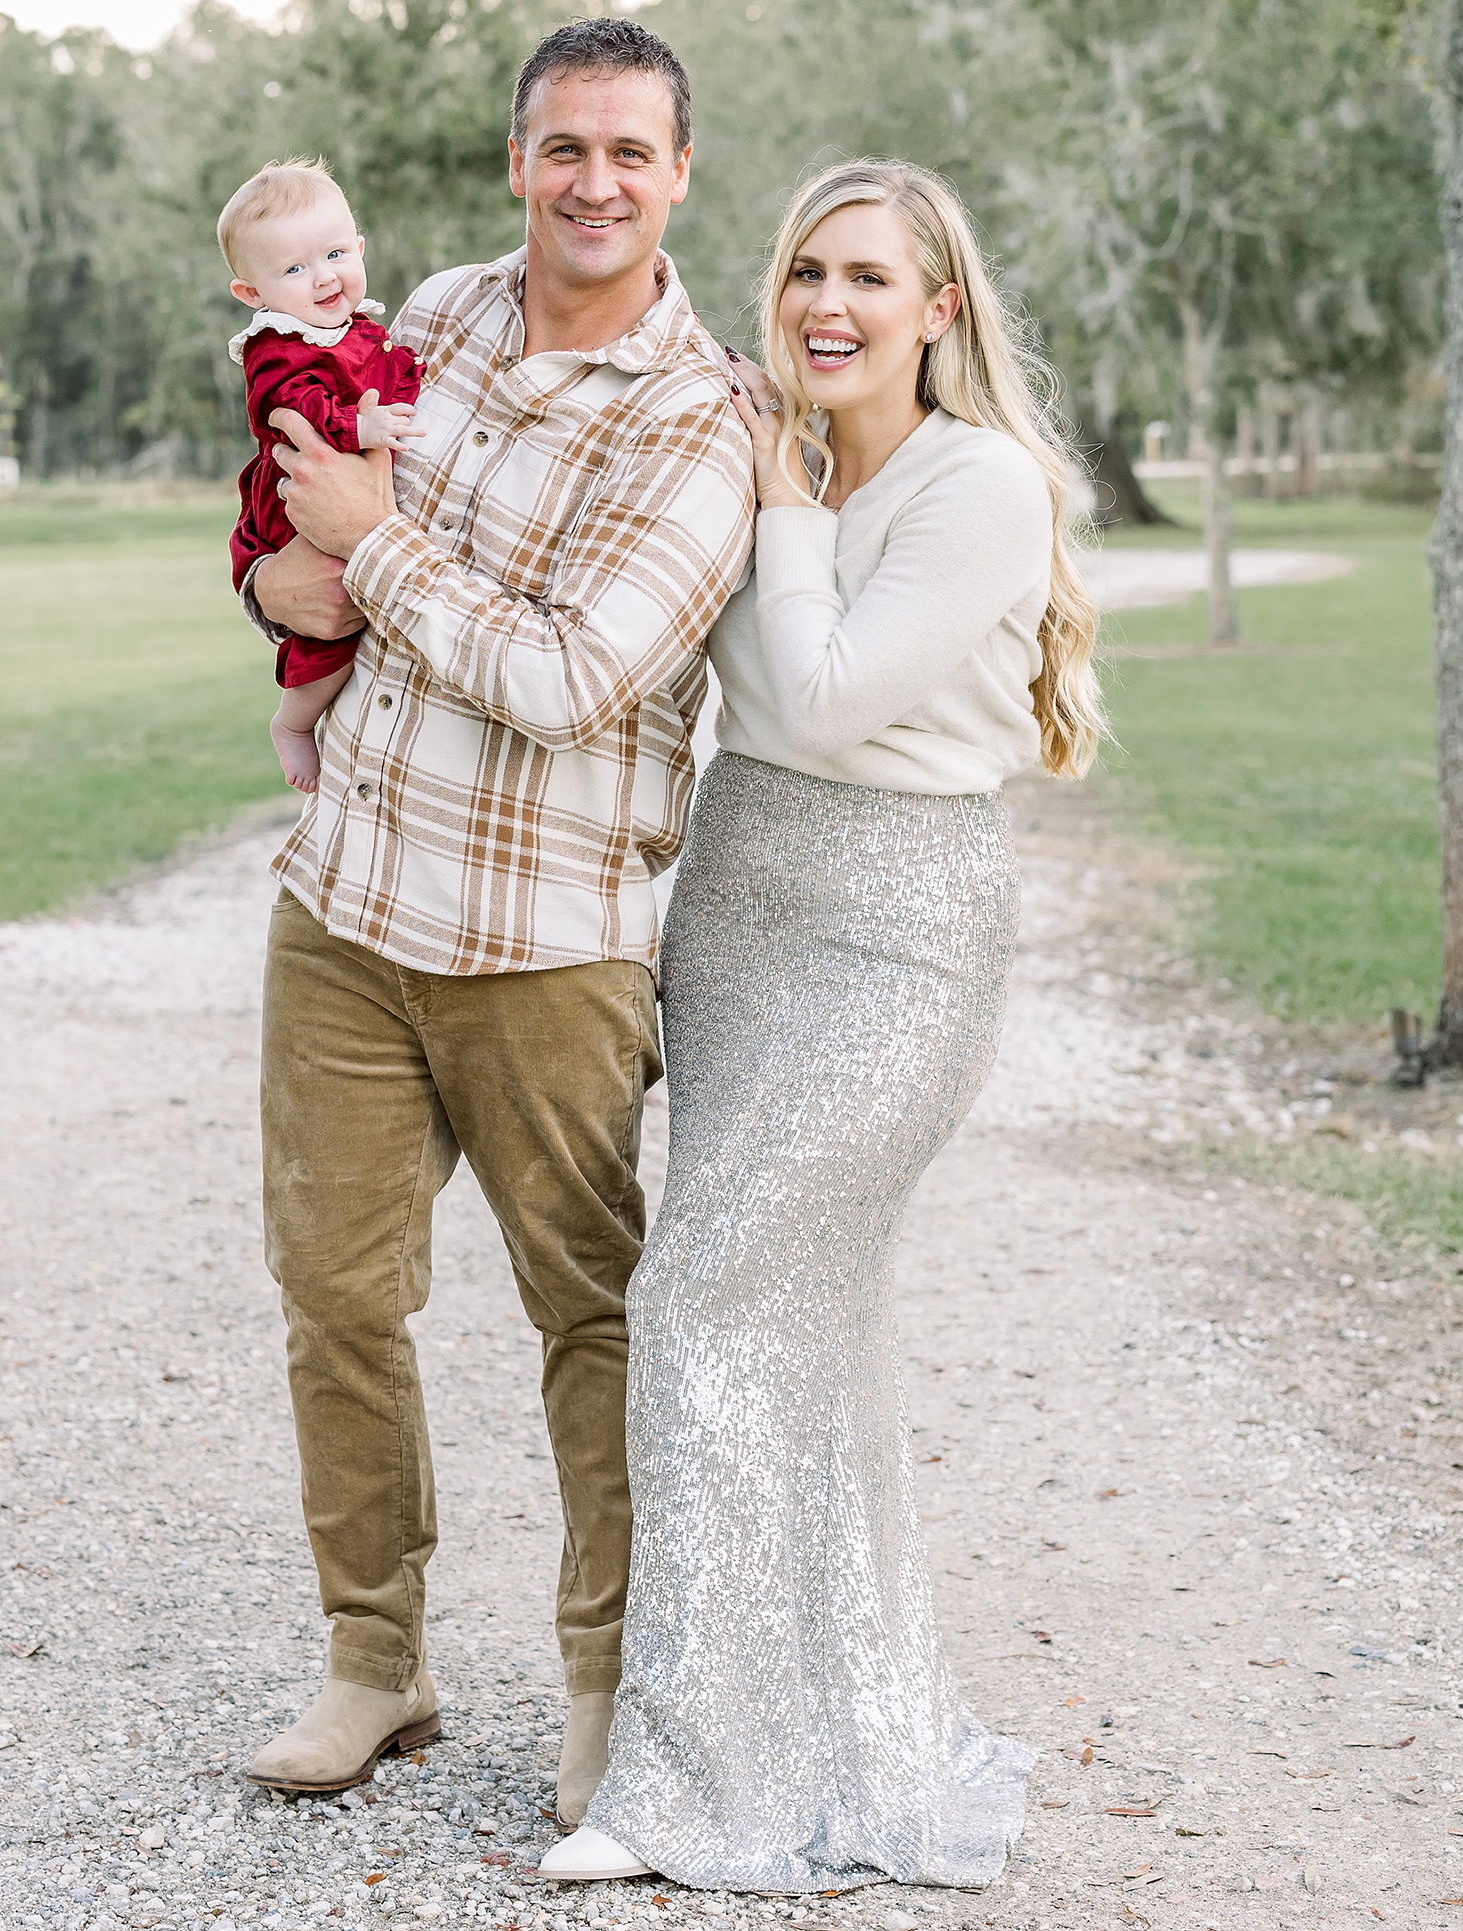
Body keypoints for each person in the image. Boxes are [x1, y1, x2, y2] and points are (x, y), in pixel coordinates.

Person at [540, 158, 1103, 1894]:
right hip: (741, 916)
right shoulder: (771, 461)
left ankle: (680, 1785)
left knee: (702, 1290)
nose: (827, 306)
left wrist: (788, 538)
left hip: (895, 940)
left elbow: (836, 695)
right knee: (803, 1341)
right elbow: (730, 689)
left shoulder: (979, 485)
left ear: (941, 307)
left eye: (867, 276)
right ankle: (850, 1733)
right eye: (803, 273)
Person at [236, 21, 755, 1821]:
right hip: (352, 910)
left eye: (629, 152)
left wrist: (376, 550)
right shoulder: (432, 320)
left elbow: (572, 674)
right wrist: (279, 580)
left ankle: (613, 1689)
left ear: (679, 173)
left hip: (553, 944)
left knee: (590, 1320)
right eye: (563, 150)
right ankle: (375, 1661)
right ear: (515, 161)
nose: (593, 183)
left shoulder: (711, 417)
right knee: (336, 1305)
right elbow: (297, 526)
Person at [223, 159, 425, 791]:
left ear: (360, 247)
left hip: (353, 486)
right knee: (331, 615)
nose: (323, 276)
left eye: (336, 252)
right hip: (295, 503)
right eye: (293, 268)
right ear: (252, 293)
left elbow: (389, 374)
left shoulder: (361, 326)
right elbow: (288, 406)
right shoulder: (277, 346)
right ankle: (294, 720)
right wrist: (358, 427)